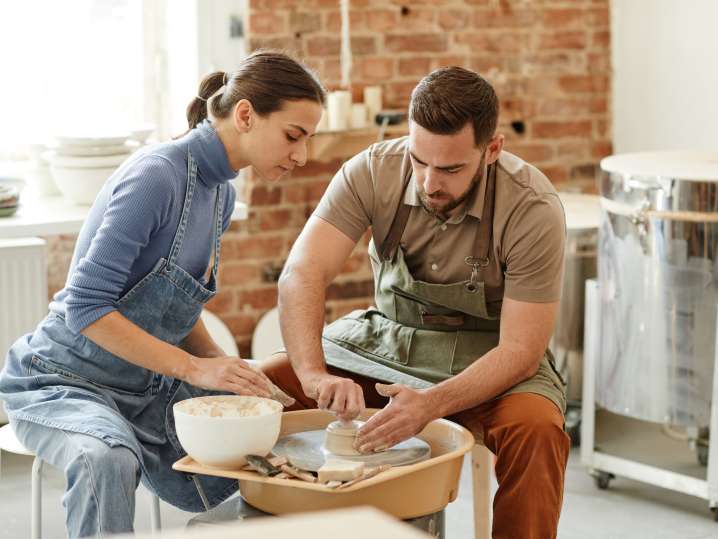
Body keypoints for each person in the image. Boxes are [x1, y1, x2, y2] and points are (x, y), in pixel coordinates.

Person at [0, 50, 324, 537]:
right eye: (293, 136)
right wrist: (196, 369)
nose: (302, 155)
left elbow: (171, 301)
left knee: (267, 434)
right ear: (244, 115)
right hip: (62, 380)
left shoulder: (221, 191)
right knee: (106, 458)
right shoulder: (157, 176)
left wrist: (227, 371)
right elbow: (86, 308)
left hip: (144, 384)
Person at [262, 66, 569, 539]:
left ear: (492, 150)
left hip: (490, 356)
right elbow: (302, 273)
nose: (428, 183)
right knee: (264, 390)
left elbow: (521, 351)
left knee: (539, 430)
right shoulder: (371, 170)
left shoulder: (532, 207)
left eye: (449, 168)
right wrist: (313, 375)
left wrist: (429, 405)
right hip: (386, 341)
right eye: (419, 160)